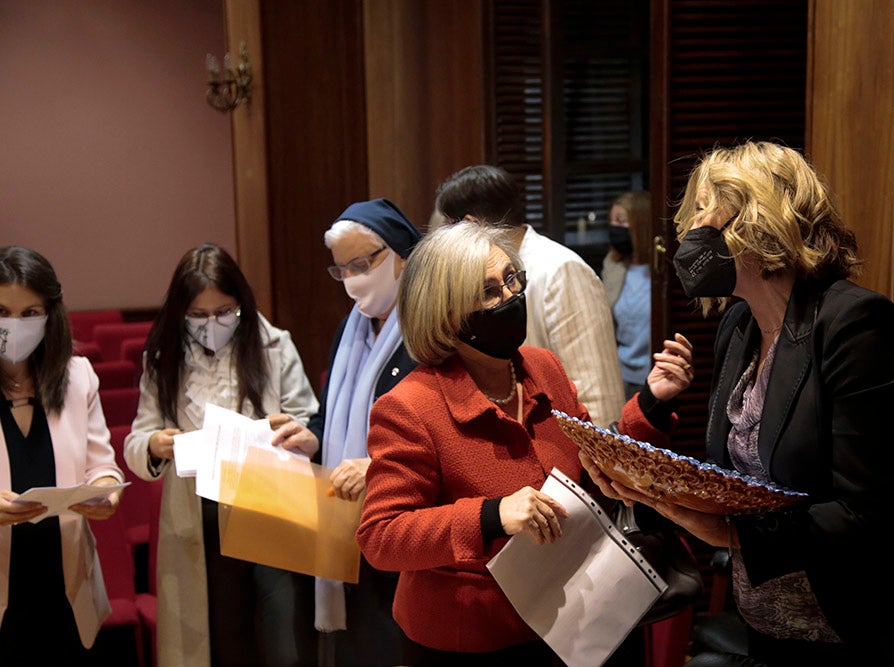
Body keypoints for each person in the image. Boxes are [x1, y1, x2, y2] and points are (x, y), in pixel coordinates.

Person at [583, 141, 894, 666]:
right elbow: (736, 480)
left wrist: (727, 531)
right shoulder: (738, 326)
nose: (693, 233)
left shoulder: (856, 324)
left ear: (763, 221)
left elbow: (870, 512)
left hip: (872, 624)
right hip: (772, 623)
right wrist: (652, 490)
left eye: (711, 212)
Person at [355, 222, 695, 666]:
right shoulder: (409, 407)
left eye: (512, 280)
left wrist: (649, 403)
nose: (510, 298)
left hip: (577, 617)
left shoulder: (542, 366)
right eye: (488, 292)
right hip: (475, 638)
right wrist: (491, 515)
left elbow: (596, 468)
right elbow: (382, 536)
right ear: (446, 314)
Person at [123, 243, 320, 667]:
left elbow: (307, 417)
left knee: (284, 638)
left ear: (241, 304)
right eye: (198, 315)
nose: (212, 324)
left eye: (224, 311)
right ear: (181, 313)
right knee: (223, 641)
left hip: (268, 509)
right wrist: (156, 445)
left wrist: (291, 429)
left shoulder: (274, 345)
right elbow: (139, 438)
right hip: (200, 518)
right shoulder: (163, 358)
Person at [271, 198, 422, 667]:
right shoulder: (350, 328)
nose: (353, 278)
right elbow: (332, 411)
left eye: (362, 263)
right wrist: (312, 435)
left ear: (401, 252)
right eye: (342, 270)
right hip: (347, 529)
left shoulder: (430, 330)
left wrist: (379, 466)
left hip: (407, 529)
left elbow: (443, 435)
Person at [0, 246, 125, 663]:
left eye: (29, 313)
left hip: (66, 586)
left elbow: (102, 465)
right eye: (2, 312)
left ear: (51, 314)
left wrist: (106, 492)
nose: (14, 326)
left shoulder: (77, 377)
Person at [435, 165, 626, 428]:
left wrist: (590, 465)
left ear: (471, 224)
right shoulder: (475, 278)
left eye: (448, 226)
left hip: (570, 452)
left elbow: (596, 392)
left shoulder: (560, 269)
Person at [601, 190, 653, 398]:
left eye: (621, 222)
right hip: (620, 376)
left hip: (653, 377)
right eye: (613, 222)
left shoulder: (660, 271)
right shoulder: (612, 265)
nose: (615, 229)